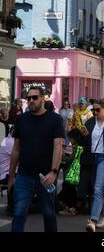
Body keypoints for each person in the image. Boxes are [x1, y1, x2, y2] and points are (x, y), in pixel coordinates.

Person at [8, 86, 64, 232]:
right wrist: (11, 176)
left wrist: (53, 172)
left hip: (45, 177)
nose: (30, 101)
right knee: (19, 213)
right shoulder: (21, 119)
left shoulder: (55, 119)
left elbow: (58, 146)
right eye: (28, 98)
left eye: (34, 97)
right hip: (24, 175)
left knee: (48, 214)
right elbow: (15, 149)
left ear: (43, 99)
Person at [73, 99, 104, 232]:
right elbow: (82, 143)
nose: (95, 112)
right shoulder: (90, 122)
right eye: (93, 110)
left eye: (98, 110)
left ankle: (93, 220)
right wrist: (83, 135)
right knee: (94, 188)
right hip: (91, 158)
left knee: (98, 188)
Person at [0, 128, 14, 214]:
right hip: (5, 175)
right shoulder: (11, 142)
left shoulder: (6, 140)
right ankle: (12, 207)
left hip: (5, 172)